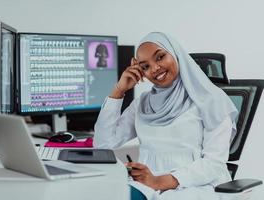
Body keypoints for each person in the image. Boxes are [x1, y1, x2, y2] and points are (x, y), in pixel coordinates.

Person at [93, 32, 238, 200]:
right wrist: (119, 90)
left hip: (196, 186)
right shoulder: (143, 103)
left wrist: (160, 181)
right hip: (148, 185)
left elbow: (214, 165)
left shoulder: (211, 100)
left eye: (160, 57)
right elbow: (104, 143)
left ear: (176, 54)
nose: (154, 69)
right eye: (145, 66)